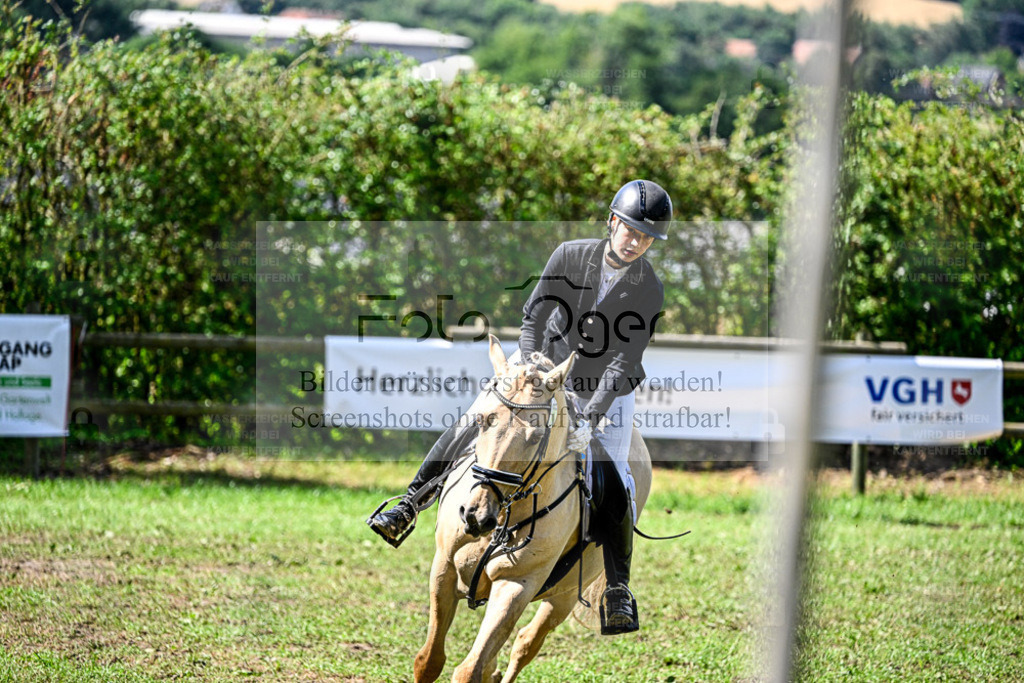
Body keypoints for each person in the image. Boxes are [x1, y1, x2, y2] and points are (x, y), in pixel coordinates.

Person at [367, 179, 671, 635]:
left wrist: (589, 413)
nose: (636, 241)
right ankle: (410, 502)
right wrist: (528, 366)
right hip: (542, 364)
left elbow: (626, 359)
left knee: (616, 475)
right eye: (629, 230)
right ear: (612, 221)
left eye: (646, 237)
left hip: (606, 387)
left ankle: (618, 589)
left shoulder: (648, 286)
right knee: (475, 422)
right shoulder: (570, 255)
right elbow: (533, 317)